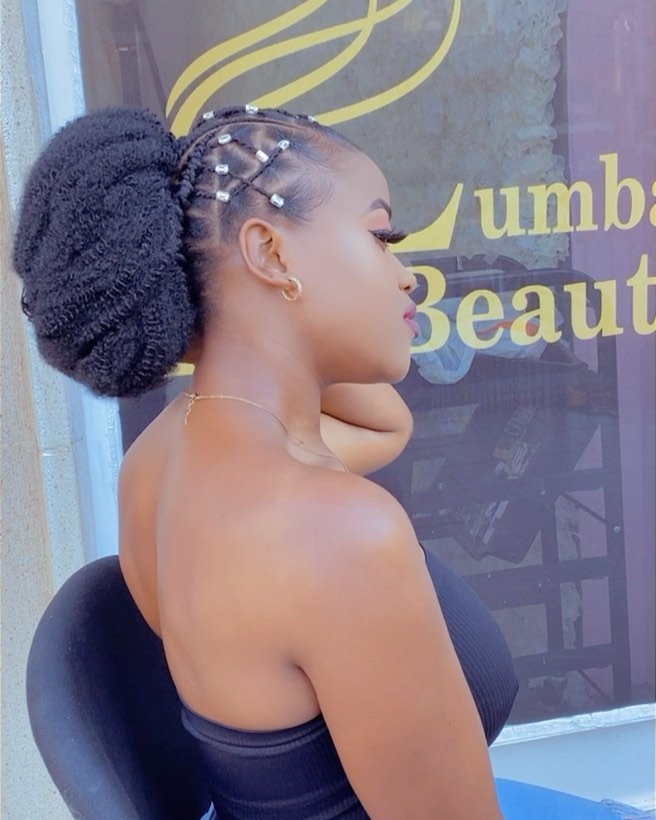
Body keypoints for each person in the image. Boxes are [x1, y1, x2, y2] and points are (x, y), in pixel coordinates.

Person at [14, 106, 645, 819]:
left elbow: (383, 425)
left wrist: (249, 329)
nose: (407, 277)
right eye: (382, 237)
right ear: (271, 254)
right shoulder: (335, 535)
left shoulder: (164, 456)